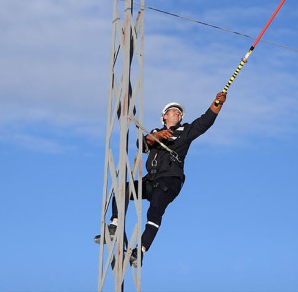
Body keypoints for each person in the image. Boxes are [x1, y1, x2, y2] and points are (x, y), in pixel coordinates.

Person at [95, 91, 227, 267]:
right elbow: (141, 145)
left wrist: (217, 103)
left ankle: (140, 250)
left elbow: (204, 122)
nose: (177, 113)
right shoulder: (155, 133)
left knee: (155, 209)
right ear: (164, 116)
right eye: (173, 111)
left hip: (169, 181)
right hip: (151, 179)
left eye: (179, 112)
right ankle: (114, 225)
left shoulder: (184, 132)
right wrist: (156, 137)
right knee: (123, 188)